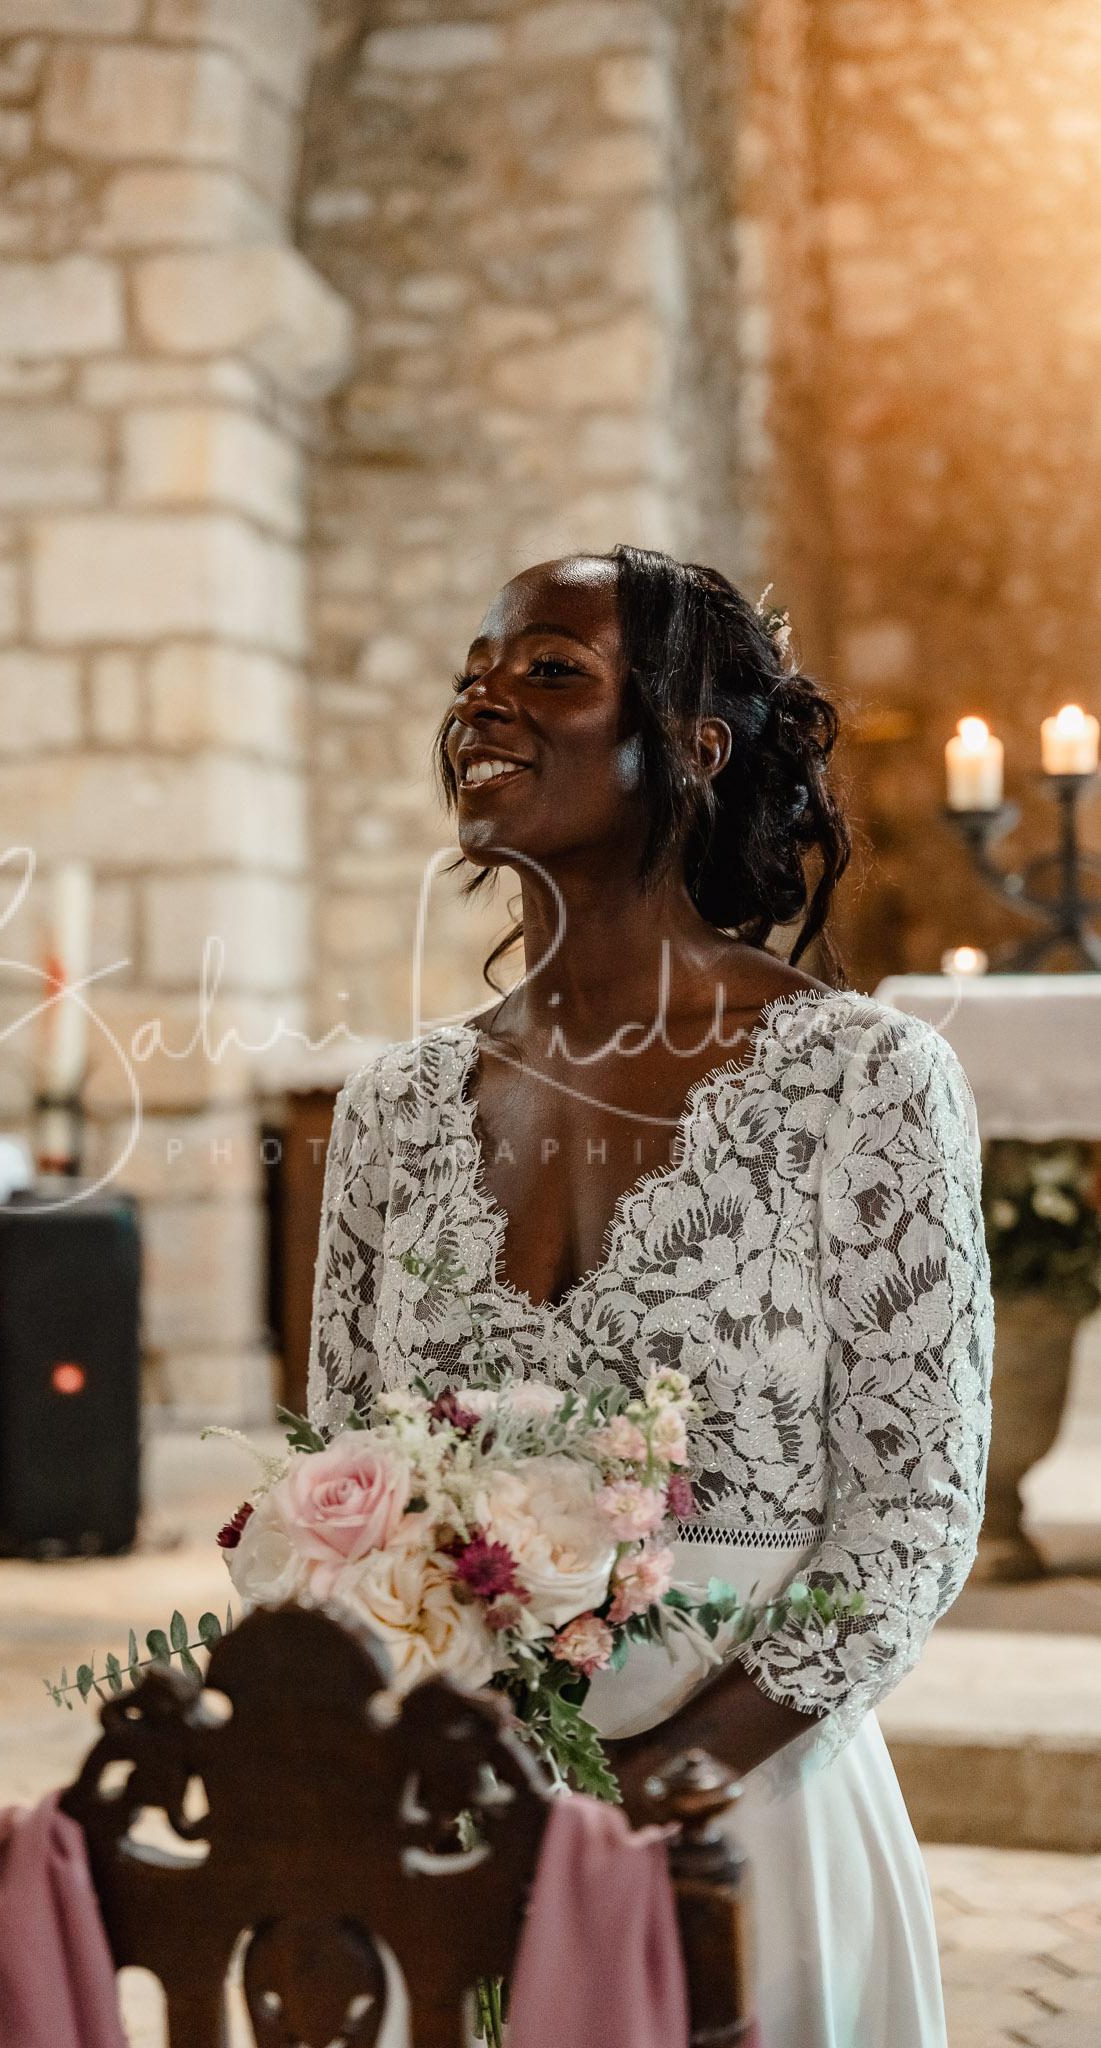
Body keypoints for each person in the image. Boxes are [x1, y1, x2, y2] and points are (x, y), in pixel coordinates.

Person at [308, 548, 992, 2048]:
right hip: (460, 1841)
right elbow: (340, 1477)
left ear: (696, 745)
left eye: (549, 670)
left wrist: (661, 1787)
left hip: (749, 1824)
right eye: (473, 678)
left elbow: (914, 1512)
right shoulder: (391, 1111)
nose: (482, 704)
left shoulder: (864, 1084)